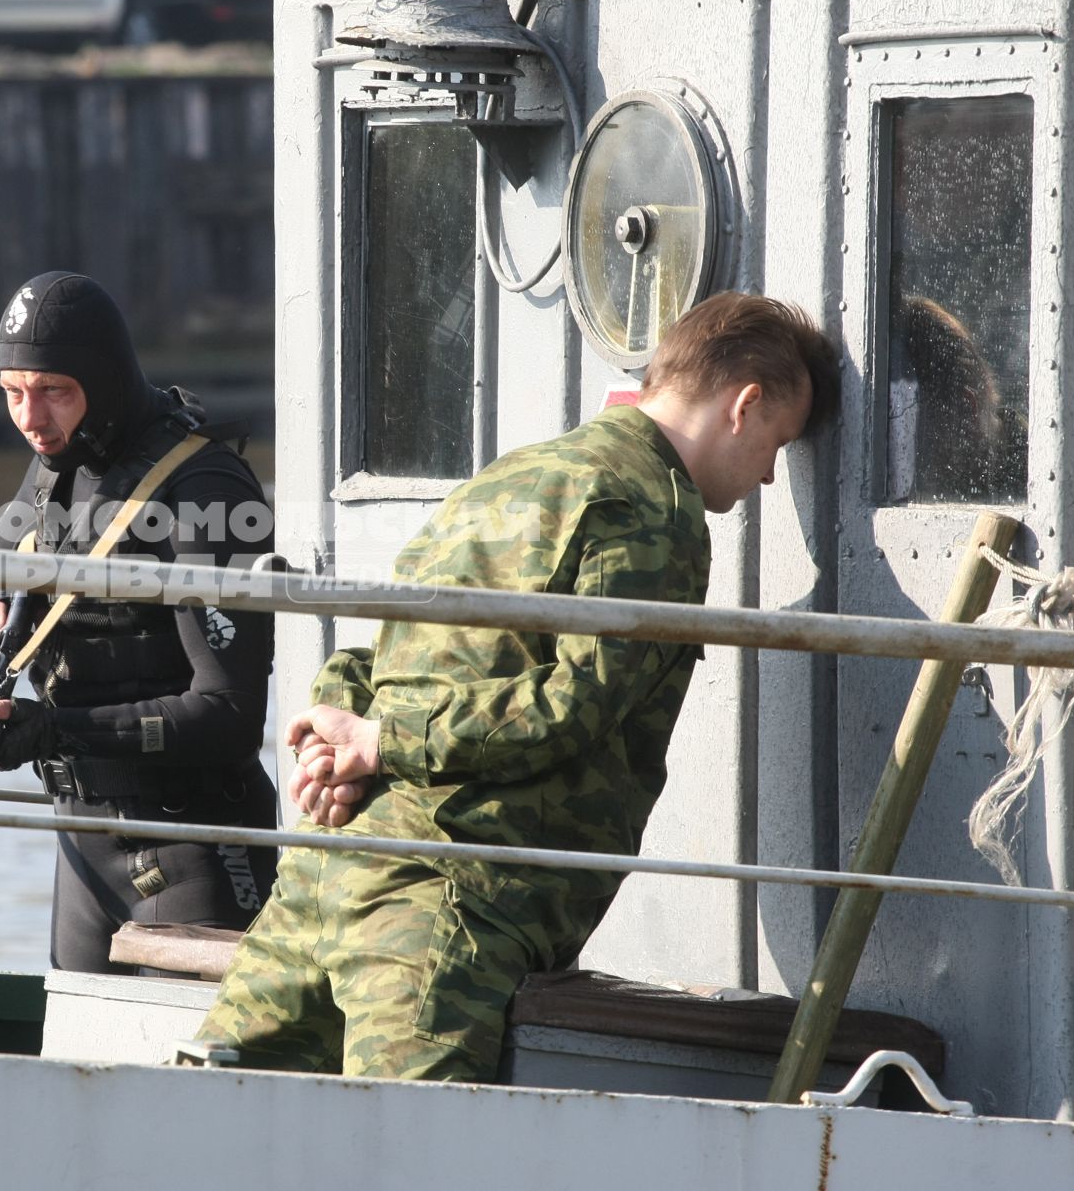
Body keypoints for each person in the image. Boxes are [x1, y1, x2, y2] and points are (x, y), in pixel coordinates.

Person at [198, 291, 841, 1081]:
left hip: (330, 864)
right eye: (777, 442)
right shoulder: (655, 512)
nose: (771, 475)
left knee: (219, 1120)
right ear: (744, 405)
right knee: (412, 1152)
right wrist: (374, 741)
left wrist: (336, 743)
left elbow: (380, 654)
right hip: (447, 893)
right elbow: (572, 709)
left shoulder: (511, 475)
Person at [0, 271, 279, 973]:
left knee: (202, 1079)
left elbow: (230, 713)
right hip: (82, 845)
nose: (29, 417)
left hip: (194, 843)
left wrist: (54, 730)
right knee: (77, 1075)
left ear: (102, 380)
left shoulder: (204, 491)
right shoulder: (54, 465)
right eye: (12, 392)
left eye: (53, 391)